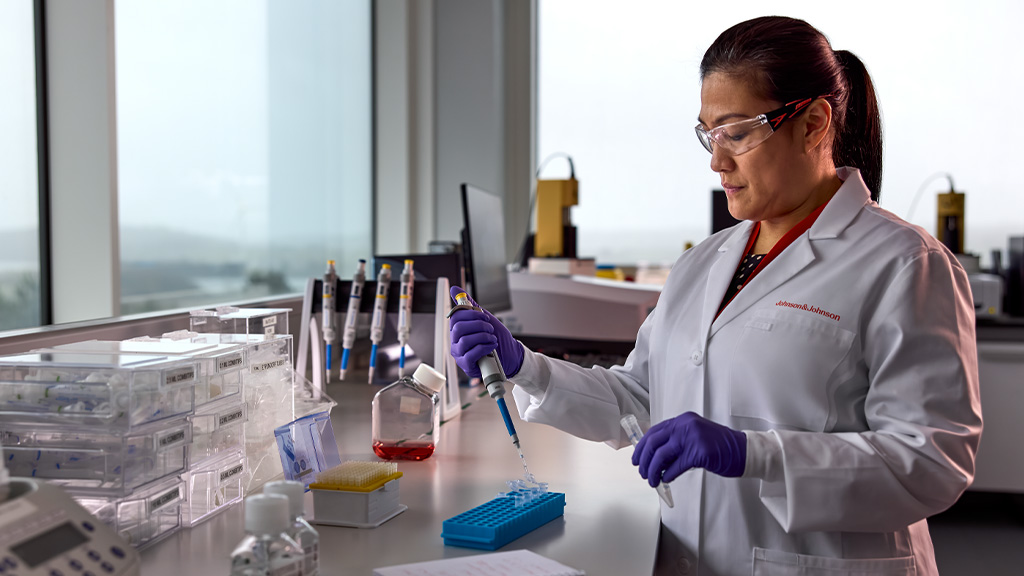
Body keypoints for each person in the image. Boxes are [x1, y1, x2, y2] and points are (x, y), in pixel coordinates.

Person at [449, 15, 982, 576]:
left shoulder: (905, 264)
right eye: (709, 133)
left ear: (813, 123)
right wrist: (526, 367)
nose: (716, 160)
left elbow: (933, 460)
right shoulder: (704, 262)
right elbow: (642, 400)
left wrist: (752, 454)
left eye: (738, 132)